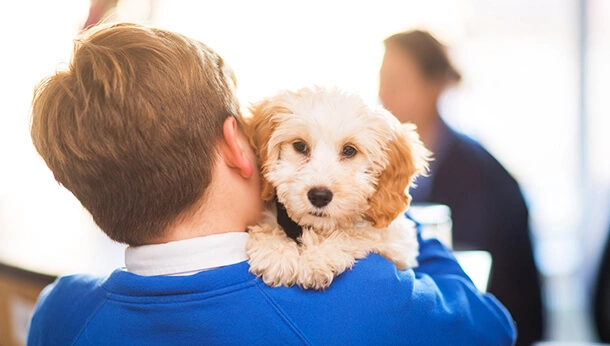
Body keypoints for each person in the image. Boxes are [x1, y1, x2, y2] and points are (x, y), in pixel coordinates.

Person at [26, 22, 516, 345]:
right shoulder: (361, 297)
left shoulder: (59, 314)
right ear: (239, 145)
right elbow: (493, 328)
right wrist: (392, 209)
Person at [379, 29, 544, 345]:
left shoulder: (480, 175)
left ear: (434, 87)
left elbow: (465, 274)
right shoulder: (379, 162)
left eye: (396, 82)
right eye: (381, 81)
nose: (383, 95)